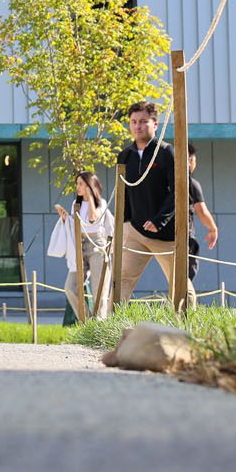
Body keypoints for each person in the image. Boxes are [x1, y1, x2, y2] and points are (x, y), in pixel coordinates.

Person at [115, 100, 178, 303]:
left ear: (155, 124)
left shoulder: (167, 152)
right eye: (133, 122)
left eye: (143, 121)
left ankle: (188, 328)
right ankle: (109, 328)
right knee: (122, 280)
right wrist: (122, 226)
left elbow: (179, 192)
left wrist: (159, 220)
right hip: (135, 232)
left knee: (179, 283)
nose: (137, 126)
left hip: (165, 235)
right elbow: (123, 193)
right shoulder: (125, 155)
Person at [56, 170, 113, 320]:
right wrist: (65, 218)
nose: (78, 187)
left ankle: (99, 324)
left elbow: (93, 219)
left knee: (99, 290)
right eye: (77, 184)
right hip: (79, 246)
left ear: (90, 185)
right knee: (70, 287)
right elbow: (75, 226)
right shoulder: (76, 204)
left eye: (81, 184)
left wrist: (90, 197)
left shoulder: (101, 203)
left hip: (97, 245)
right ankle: (87, 320)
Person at [185, 143, 220, 289]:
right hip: (184, 235)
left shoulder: (162, 181)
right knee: (186, 275)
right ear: (190, 161)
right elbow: (201, 210)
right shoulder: (191, 183)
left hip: (156, 234)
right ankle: (185, 309)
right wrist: (213, 229)